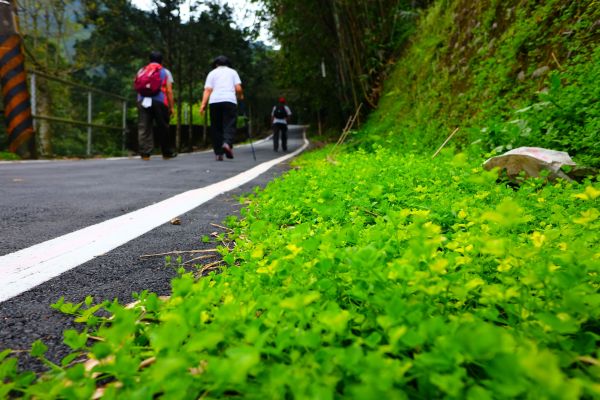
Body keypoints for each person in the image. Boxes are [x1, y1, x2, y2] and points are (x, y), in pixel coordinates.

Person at [199, 55, 244, 161]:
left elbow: (207, 90)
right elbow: (238, 88)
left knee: (216, 127)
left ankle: (218, 153)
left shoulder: (212, 73)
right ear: (228, 63)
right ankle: (227, 144)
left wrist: (203, 105)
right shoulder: (233, 72)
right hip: (229, 101)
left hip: (215, 102)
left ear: (216, 64)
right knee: (229, 124)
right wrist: (240, 96)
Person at [135, 51, 176, 160]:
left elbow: (138, 87)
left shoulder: (142, 70)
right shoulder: (165, 72)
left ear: (149, 60)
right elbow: (169, 91)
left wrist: (138, 102)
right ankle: (166, 153)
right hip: (160, 101)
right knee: (163, 126)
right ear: (161, 61)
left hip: (142, 100)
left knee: (144, 127)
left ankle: (145, 153)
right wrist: (171, 107)